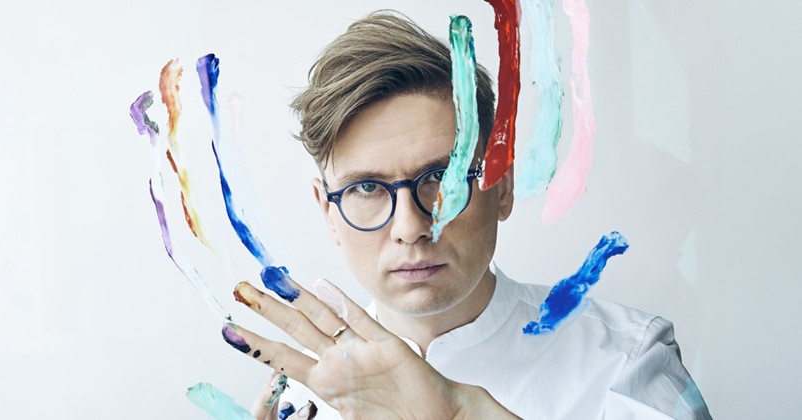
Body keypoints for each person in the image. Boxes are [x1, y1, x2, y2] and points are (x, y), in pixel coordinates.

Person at [222, 10, 711, 419]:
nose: (411, 227)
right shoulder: (298, 398)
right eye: (367, 187)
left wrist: (460, 414)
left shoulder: (626, 362)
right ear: (327, 212)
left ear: (502, 186)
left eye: (442, 177)